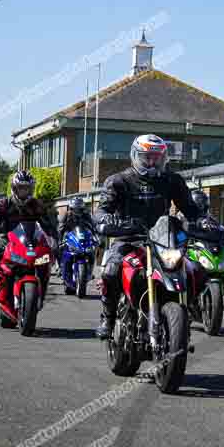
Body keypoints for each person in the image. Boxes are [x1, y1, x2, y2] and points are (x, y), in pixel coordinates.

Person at [95, 134, 200, 342]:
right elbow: (101, 211)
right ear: (135, 156)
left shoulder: (172, 180)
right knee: (111, 271)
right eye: (147, 157)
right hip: (128, 238)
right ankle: (108, 318)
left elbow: (191, 209)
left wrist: (202, 221)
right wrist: (107, 220)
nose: (152, 162)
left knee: (194, 269)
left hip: (162, 241)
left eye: (157, 157)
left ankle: (190, 308)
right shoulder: (119, 181)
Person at [0, 171, 58, 297]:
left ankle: (42, 287)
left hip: (31, 240)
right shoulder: (3, 204)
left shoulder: (37, 205)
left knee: (45, 259)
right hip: (7, 239)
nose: (23, 192)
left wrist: (54, 242)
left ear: (31, 189)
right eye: (21, 188)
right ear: (14, 188)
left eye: (27, 188)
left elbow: (49, 226)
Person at [57, 197, 98, 278]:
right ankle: (61, 267)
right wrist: (60, 240)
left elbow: (93, 227)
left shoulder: (86, 215)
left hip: (83, 236)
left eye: (79, 209)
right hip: (69, 236)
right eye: (75, 209)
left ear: (82, 208)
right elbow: (61, 228)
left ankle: (90, 270)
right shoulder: (67, 215)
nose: (77, 211)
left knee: (92, 251)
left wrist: (96, 237)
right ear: (71, 208)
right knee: (61, 248)